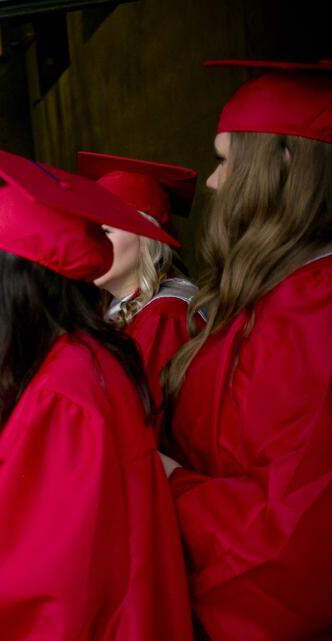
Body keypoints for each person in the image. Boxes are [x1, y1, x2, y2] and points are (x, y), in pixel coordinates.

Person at [0, 140, 193, 641]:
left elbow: (42, 577)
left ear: (11, 275)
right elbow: (41, 522)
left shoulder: (64, 391)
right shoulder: (80, 362)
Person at [161, 59, 332, 640]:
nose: (212, 181)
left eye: (224, 158)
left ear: (283, 163)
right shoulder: (261, 293)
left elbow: (302, 526)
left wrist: (169, 484)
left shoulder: (320, 311)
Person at [77, 151, 199, 407]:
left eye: (106, 231)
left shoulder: (166, 316)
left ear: (146, 238)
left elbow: (143, 418)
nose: (92, 243)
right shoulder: (118, 307)